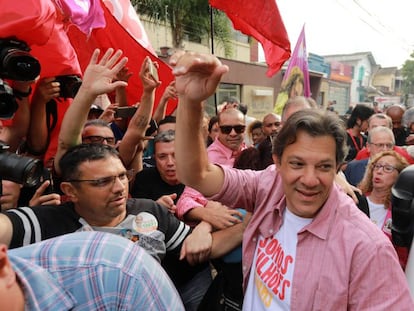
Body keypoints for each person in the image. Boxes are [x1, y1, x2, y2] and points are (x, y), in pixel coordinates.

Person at [170, 50, 413, 309]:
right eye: (297, 164)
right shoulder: (269, 186)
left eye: (323, 166)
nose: (309, 180)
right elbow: (196, 175)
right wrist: (190, 102)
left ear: (338, 167)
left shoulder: (366, 249)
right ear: (277, 161)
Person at [3, 231, 184, 310]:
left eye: (121, 176)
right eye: (101, 181)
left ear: (4, 267)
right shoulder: (52, 218)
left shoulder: (116, 272)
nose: (118, 188)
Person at [357, 150, 409, 267]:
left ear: (399, 176)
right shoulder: (356, 201)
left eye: (387, 168)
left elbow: (402, 256)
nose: (379, 171)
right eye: (377, 166)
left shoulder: (400, 211)